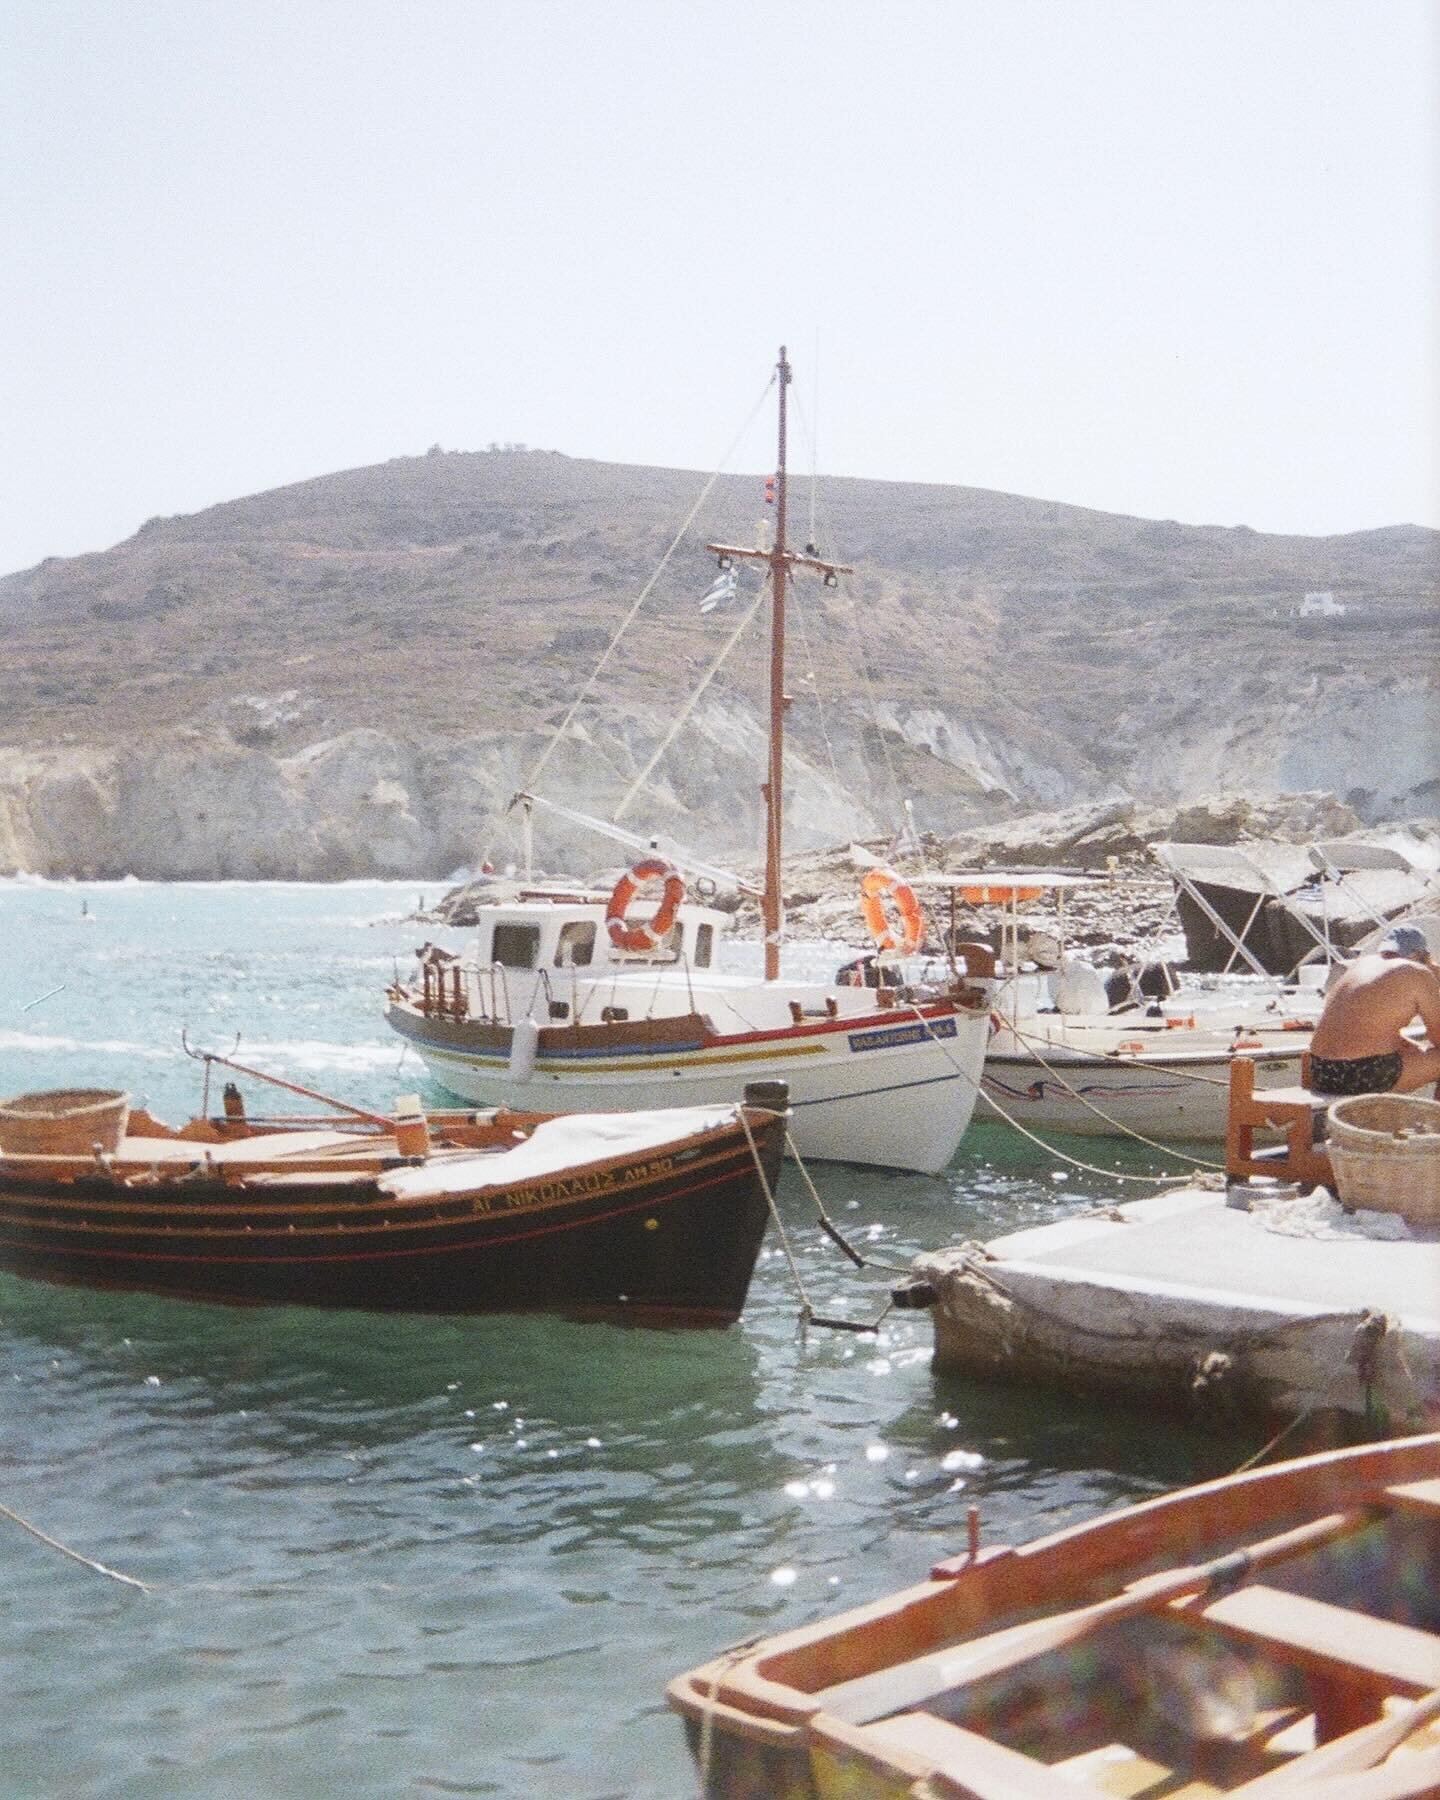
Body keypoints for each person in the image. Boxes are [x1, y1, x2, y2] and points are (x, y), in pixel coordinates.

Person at [1308, 924, 1440, 1096]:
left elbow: (1361, 1028)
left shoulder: (1360, 965)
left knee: (1410, 1050)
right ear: (1419, 954)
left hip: (1321, 1071)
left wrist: (1411, 1046)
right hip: (1361, 1072)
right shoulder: (1416, 971)